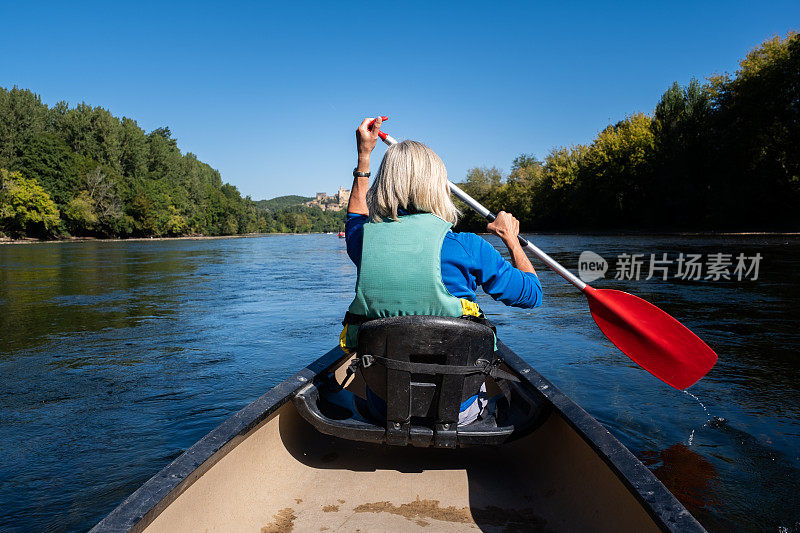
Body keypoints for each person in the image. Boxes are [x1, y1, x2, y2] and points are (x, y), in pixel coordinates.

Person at [341, 116, 542, 425]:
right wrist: (512, 242)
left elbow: (355, 215)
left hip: (384, 408)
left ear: (385, 183)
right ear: (436, 186)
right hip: (458, 410)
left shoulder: (364, 243)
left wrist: (364, 156)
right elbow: (532, 295)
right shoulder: (468, 247)